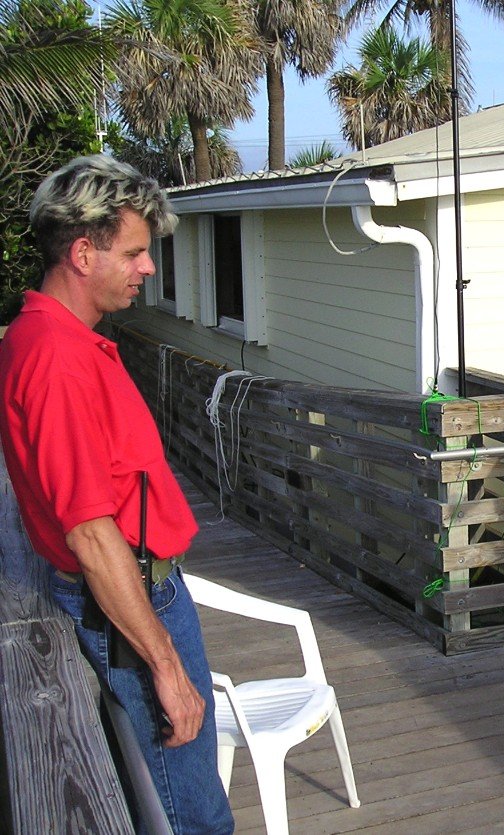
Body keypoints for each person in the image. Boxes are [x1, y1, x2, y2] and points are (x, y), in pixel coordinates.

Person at [0, 155, 234, 833]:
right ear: (82, 253)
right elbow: (90, 532)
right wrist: (165, 665)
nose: (148, 268)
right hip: (132, 601)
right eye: (134, 252)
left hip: (137, 588)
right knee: (193, 815)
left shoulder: (57, 338)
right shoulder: (56, 359)